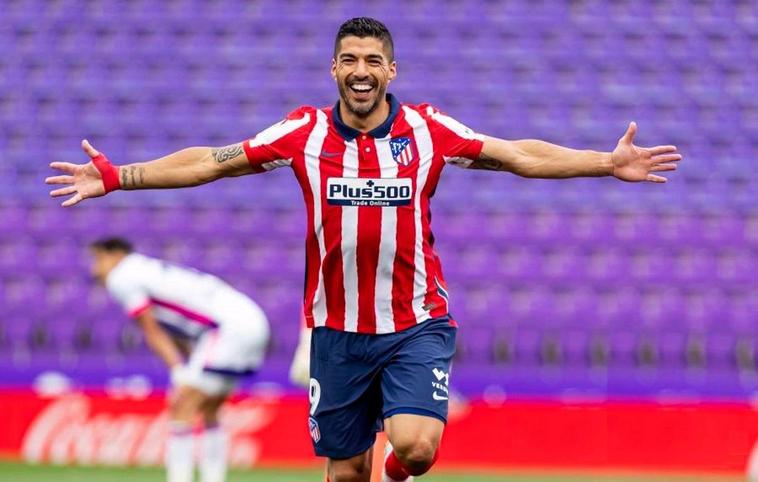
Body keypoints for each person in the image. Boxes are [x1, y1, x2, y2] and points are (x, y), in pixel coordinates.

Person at [47, 17, 682, 482]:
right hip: (336, 330)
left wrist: (605, 161)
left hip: (416, 321)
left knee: (417, 447)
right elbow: (212, 161)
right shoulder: (303, 133)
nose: (360, 70)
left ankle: (398, 461)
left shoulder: (428, 130)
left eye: (372, 60)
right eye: (349, 58)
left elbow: (519, 154)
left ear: (390, 70)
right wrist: (120, 175)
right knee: (345, 473)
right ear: (334, 68)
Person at [88, 237, 270, 482]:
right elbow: (178, 328)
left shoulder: (121, 277)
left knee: (181, 405)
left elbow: (151, 330)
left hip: (227, 329)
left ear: (115, 255)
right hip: (248, 319)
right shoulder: (145, 269)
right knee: (209, 408)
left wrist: (177, 371)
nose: (94, 268)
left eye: (98, 259)